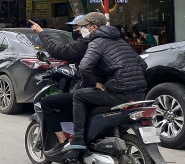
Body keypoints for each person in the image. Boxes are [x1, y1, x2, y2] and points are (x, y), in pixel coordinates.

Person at [63, 12, 148, 152]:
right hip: (139, 94)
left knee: (78, 95)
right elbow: (143, 66)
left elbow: (84, 67)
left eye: (85, 26)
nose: (83, 29)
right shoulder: (121, 41)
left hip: (120, 93)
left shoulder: (96, 42)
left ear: (94, 27)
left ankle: (78, 139)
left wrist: (94, 84)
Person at [30, 15, 93, 149]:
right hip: (119, 91)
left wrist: (41, 32)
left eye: (77, 27)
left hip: (92, 92)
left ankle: (63, 142)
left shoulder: (86, 44)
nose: (75, 31)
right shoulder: (113, 42)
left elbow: (56, 51)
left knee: (47, 103)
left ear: (90, 27)